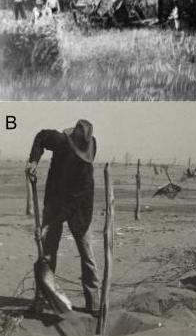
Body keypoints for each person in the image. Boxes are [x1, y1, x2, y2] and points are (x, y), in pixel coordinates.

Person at [26, 119, 100, 316]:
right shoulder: (60, 141)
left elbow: (75, 200)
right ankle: (42, 299)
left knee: (87, 256)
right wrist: (34, 160)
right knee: (47, 254)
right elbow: (41, 136)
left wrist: (50, 225)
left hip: (80, 208)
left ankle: (93, 305)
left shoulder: (85, 167)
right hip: (55, 200)